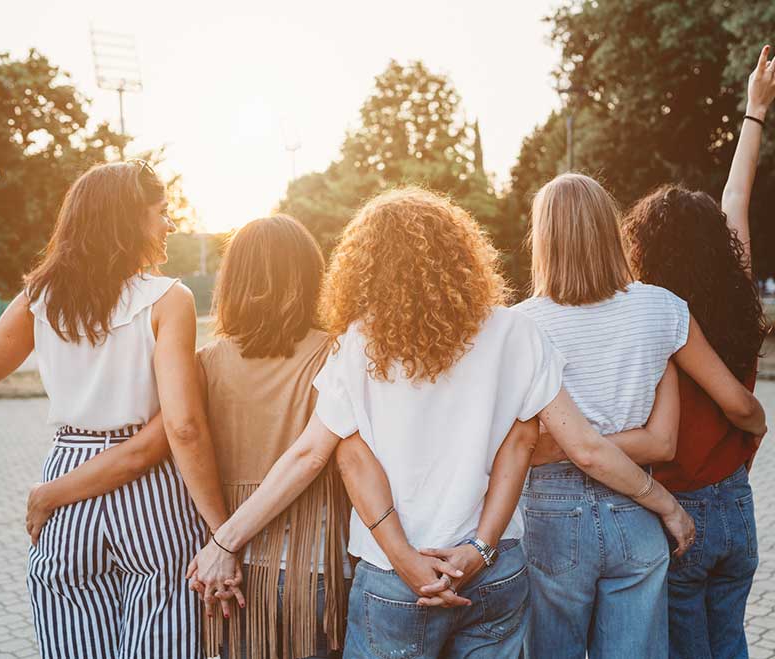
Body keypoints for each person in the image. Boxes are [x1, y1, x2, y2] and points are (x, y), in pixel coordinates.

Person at [188, 187, 694, 659]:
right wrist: (479, 549)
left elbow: (322, 456)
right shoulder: (516, 331)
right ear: (462, 251)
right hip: (494, 572)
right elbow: (554, 446)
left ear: (365, 266)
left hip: (393, 579)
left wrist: (226, 540)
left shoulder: (355, 344)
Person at [0, 161, 232, 659]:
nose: (170, 224)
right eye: (161, 212)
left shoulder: (40, 298)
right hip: (152, 494)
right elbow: (182, 426)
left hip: (67, 485)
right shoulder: (167, 299)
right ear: (128, 218)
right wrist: (221, 530)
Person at [514, 172, 766, 659]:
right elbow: (662, 442)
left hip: (551, 518)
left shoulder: (521, 325)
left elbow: (530, 448)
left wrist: (564, 447)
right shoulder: (662, 310)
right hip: (638, 512)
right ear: (609, 229)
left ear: (542, 238)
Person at [622, 44, 775, 659]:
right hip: (737, 504)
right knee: (732, 641)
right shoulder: (736, 298)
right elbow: (736, 197)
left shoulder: (653, 317)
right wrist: (754, 113)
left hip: (678, 511)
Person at [196, 215, 351, 659]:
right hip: (318, 571)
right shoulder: (336, 352)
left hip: (231, 572)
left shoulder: (204, 364)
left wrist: (218, 544)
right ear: (309, 278)